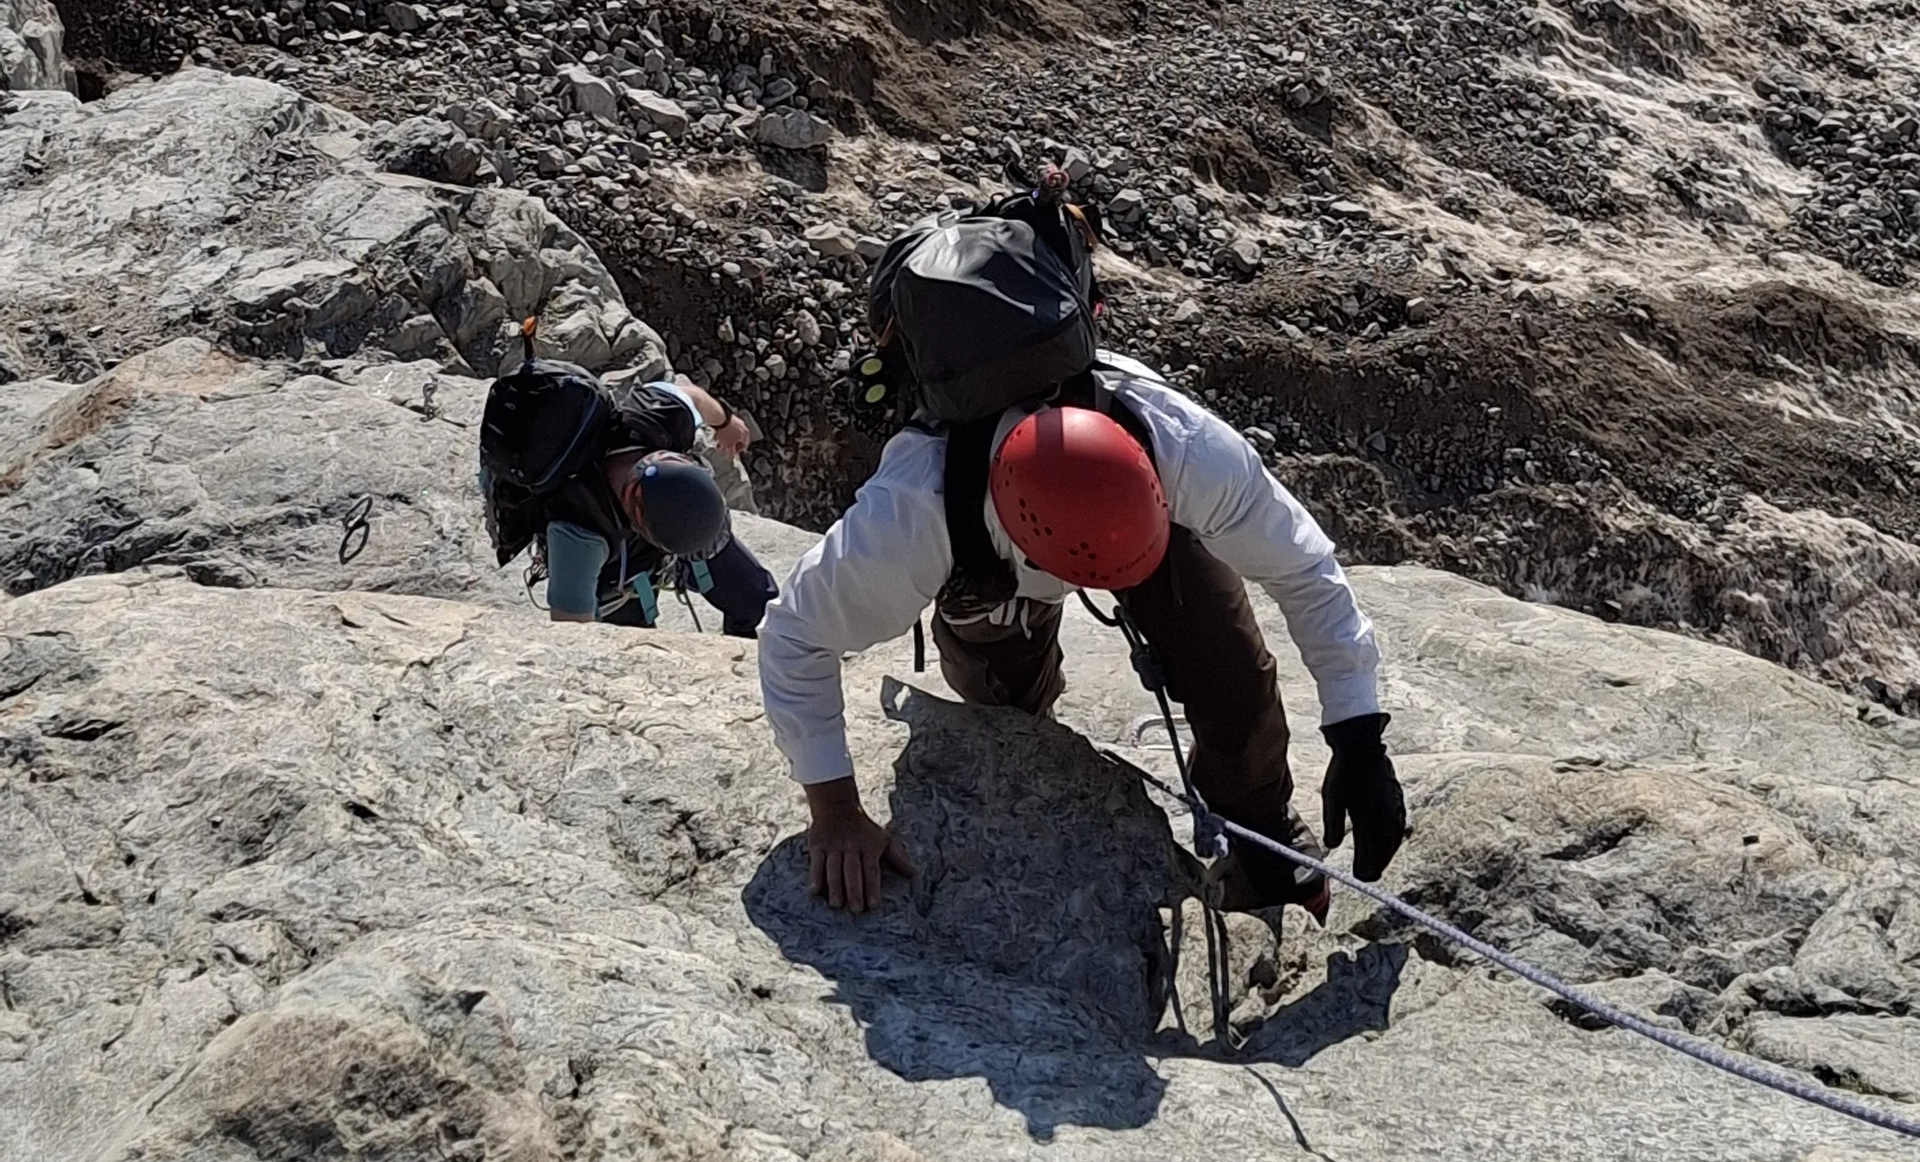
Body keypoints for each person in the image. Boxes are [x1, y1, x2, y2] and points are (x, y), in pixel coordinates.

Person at [757, 364, 1406, 912]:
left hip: (1141, 528)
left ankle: (1263, 830)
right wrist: (835, 807)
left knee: (1227, 668)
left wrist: (1358, 734)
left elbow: (1304, 568)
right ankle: (1024, 692)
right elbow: (794, 636)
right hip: (987, 561)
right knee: (1004, 706)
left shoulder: (1186, 451)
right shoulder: (916, 513)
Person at [480, 338, 777, 635]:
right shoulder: (580, 535)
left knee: (760, 605)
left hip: (650, 541)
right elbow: (571, 633)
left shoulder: (660, 416)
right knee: (637, 637)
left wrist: (726, 422)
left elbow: (693, 399)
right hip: (618, 580)